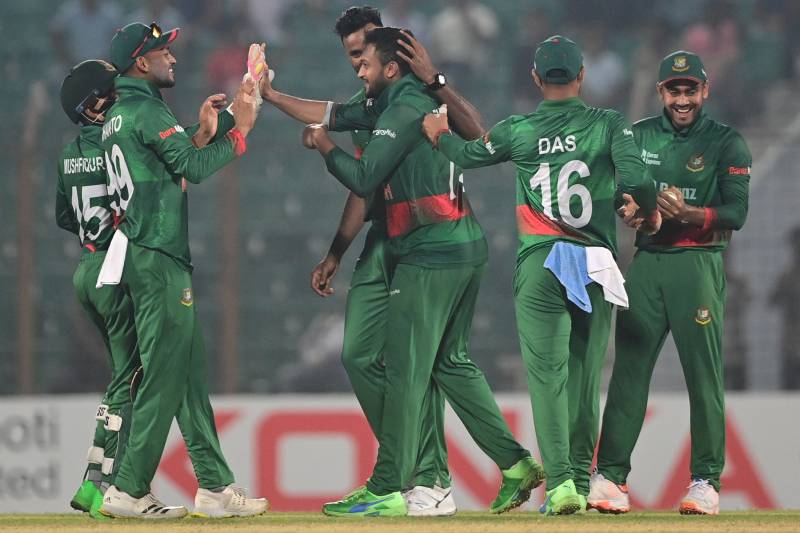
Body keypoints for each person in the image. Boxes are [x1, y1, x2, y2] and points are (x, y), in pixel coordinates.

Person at [302, 26, 541, 517]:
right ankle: (514, 463)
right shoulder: (416, 98)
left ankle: (392, 485)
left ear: (391, 65)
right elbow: (475, 133)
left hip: (428, 249)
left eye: (364, 61)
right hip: (460, 242)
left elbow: (365, 180)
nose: (358, 70)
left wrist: (325, 146)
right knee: (448, 363)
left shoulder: (405, 105)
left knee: (408, 370)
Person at [422, 35, 659, 515]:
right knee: (585, 378)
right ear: (581, 76)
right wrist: (645, 212)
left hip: (544, 262)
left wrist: (438, 134)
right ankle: (578, 471)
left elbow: (469, 155)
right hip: (594, 262)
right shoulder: (608, 123)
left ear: (535, 78)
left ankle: (562, 487)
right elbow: (638, 182)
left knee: (547, 378)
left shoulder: (520, 129)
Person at [96, 21, 266, 519]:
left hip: (145, 251)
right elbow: (190, 169)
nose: (172, 57)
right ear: (139, 63)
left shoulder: (122, 115)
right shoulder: (146, 109)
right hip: (157, 257)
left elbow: (167, 164)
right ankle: (128, 489)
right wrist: (241, 132)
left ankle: (214, 488)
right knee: (165, 379)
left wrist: (208, 130)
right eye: (161, 52)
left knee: (187, 376)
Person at [588, 51, 751, 516]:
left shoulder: (726, 142)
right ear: (661, 92)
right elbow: (622, 196)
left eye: (690, 89)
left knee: (703, 376)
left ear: (705, 91)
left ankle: (705, 482)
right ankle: (611, 478)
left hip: (698, 265)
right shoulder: (637, 136)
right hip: (649, 261)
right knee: (628, 373)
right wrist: (633, 211)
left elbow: (737, 213)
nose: (682, 98)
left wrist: (690, 214)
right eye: (673, 90)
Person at [58, 59, 141, 520]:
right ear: (93, 106)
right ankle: (106, 483)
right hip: (115, 266)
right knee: (132, 378)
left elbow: (64, 216)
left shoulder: (67, 153)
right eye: (112, 91)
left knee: (120, 376)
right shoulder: (117, 142)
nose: (120, 94)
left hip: (86, 268)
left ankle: (93, 481)